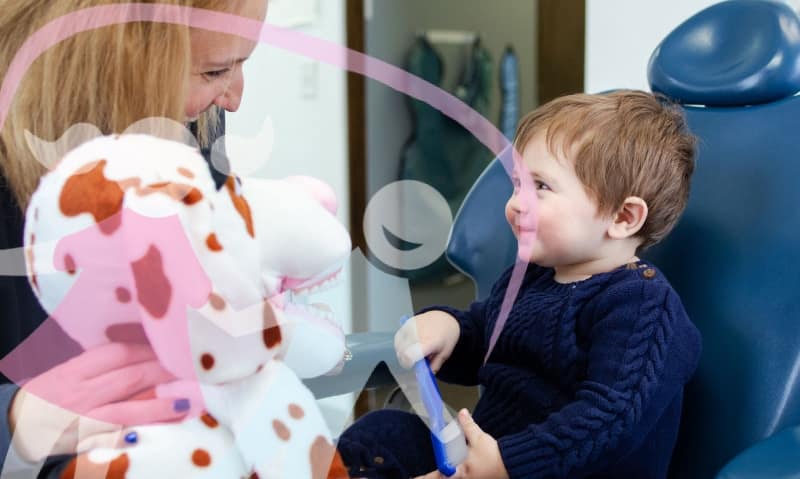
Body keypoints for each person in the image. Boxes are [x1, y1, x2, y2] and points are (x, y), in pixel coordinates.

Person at [338, 90, 702, 479]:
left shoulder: (643, 306)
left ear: (623, 217)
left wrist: (508, 464)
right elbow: (485, 340)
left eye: (540, 187)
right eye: (517, 184)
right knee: (379, 437)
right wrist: (450, 328)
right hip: (489, 459)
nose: (515, 203)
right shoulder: (530, 276)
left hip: (550, 469)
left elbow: (611, 421)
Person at [0, 0, 267, 475]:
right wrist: (16, 420)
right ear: (119, 58)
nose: (234, 98)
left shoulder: (184, 133)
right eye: (214, 71)